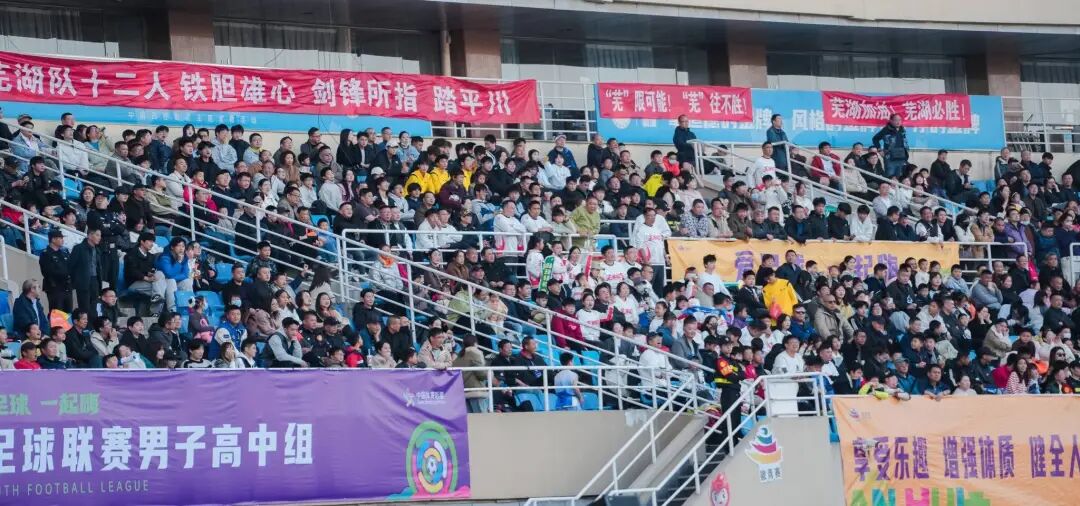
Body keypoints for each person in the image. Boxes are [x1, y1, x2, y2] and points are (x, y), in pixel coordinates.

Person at [68, 227, 102, 312]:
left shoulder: (97, 250)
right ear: (89, 236)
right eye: (97, 235)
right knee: (84, 309)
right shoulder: (78, 248)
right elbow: (70, 266)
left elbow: (98, 267)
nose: (99, 238)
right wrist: (76, 280)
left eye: (100, 235)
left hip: (95, 281)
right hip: (83, 282)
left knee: (94, 308)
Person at [452, 334, 489, 413]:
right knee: (482, 417)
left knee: (470, 419)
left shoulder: (459, 356)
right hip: (476, 391)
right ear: (475, 343)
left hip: (464, 391)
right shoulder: (475, 353)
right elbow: (481, 374)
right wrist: (489, 374)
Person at [39, 229, 73, 313]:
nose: (62, 240)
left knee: (68, 313)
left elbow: (70, 266)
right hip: (55, 287)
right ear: (53, 240)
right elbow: (48, 271)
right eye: (60, 238)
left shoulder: (64, 253)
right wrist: (66, 273)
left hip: (67, 287)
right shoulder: (46, 254)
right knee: (57, 314)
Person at [873, 114, 908, 178]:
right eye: (896, 120)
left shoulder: (902, 130)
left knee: (900, 177)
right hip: (890, 158)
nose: (898, 122)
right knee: (890, 177)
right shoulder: (886, 130)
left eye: (899, 120)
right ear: (891, 121)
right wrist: (879, 150)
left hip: (901, 157)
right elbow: (875, 139)